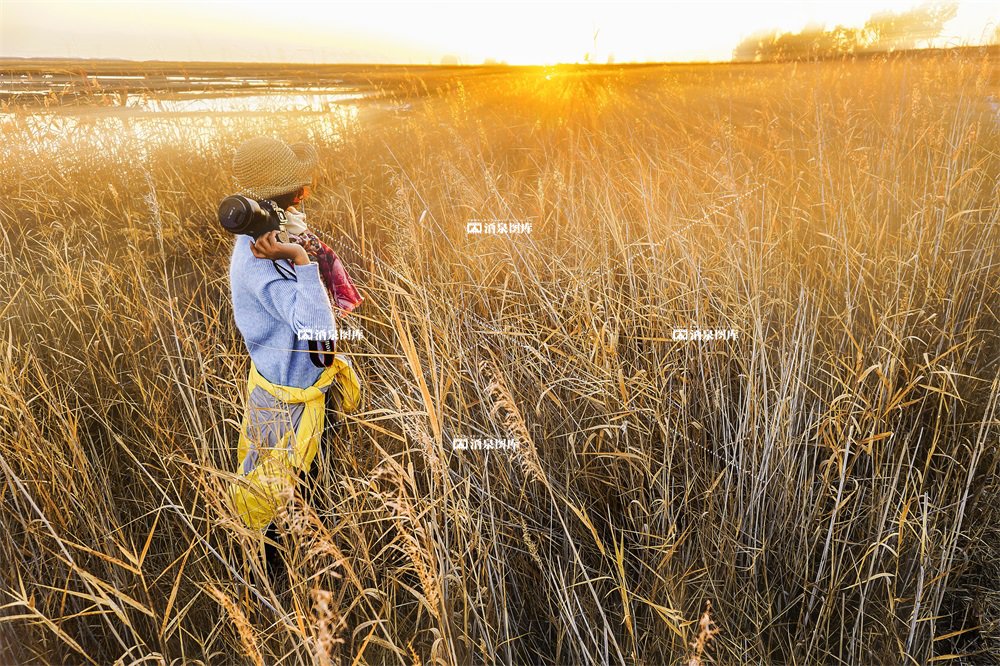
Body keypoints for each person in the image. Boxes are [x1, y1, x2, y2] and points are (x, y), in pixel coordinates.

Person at [226, 136, 363, 581]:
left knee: (304, 496)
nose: (305, 197)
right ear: (281, 203)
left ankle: (307, 571)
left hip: (301, 397)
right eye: (298, 192)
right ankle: (274, 592)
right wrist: (300, 259)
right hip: (287, 408)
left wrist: (296, 247)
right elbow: (321, 337)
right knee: (277, 508)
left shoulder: (271, 239)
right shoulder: (262, 262)